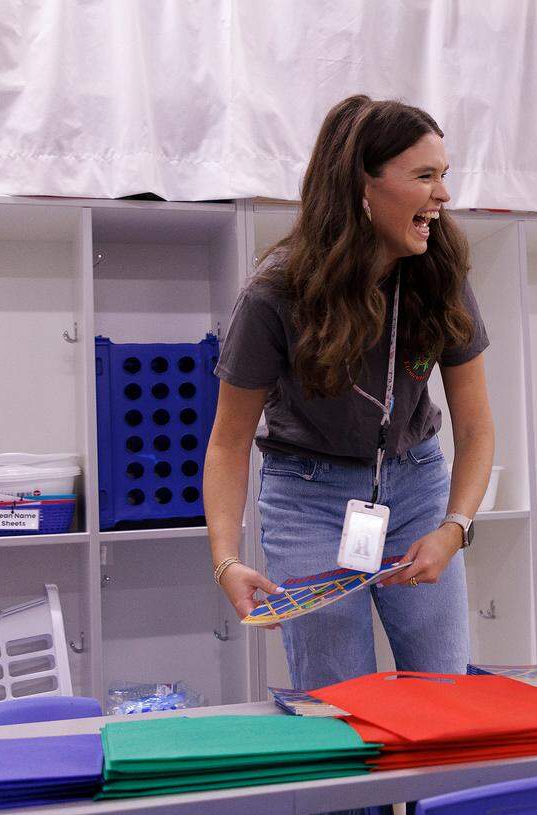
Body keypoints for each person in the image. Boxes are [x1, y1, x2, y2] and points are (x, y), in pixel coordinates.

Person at [204, 95, 495, 702]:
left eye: (444, 175)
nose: (443, 195)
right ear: (362, 186)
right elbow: (228, 443)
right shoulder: (275, 295)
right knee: (344, 710)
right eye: (424, 176)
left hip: (417, 491)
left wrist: (455, 527)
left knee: (445, 697)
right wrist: (227, 560)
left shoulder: (441, 277)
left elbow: (476, 429)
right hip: (309, 500)